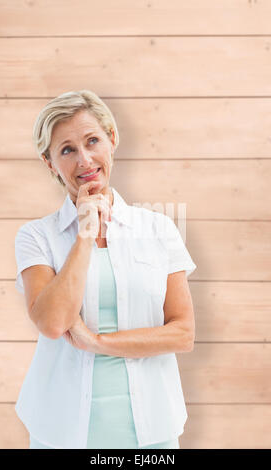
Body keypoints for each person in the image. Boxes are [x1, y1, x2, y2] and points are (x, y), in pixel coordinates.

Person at [14, 89, 197, 449]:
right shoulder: (36, 236)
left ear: (112, 140)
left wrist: (96, 342)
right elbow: (52, 322)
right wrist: (84, 233)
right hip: (60, 430)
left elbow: (183, 333)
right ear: (50, 162)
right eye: (66, 150)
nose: (84, 159)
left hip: (152, 431)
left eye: (92, 141)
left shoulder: (158, 229)